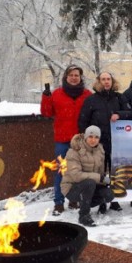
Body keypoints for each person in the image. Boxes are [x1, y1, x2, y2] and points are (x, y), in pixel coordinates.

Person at [40, 64, 92, 216]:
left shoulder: (87, 95)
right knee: (61, 172)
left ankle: (74, 199)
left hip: (81, 141)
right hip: (62, 140)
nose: (74, 78)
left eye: (77, 75)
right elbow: (46, 113)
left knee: (78, 172)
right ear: (66, 77)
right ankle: (58, 202)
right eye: (71, 75)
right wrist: (46, 97)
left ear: (80, 77)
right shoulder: (57, 94)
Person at [78, 71, 132, 211]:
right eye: (103, 79)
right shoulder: (91, 100)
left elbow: (130, 113)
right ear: (99, 82)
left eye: (109, 79)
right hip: (98, 144)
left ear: (112, 81)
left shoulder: (119, 98)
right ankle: (101, 201)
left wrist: (119, 114)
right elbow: (83, 121)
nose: (106, 82)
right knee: (100, 173)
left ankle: (114, 200)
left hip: (116, 143)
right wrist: (88, 141)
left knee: (115, 172)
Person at [61, 126, 114, 227]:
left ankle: (95, 203)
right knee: (89, 183)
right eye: (90, 136)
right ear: (85, 137)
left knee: (109, 194)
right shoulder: (74, 151)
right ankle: (83, 215)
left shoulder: (100, 150)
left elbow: (101, 172)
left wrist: (108, 179)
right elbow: (76, 176)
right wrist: (100, 178)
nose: (93, 140)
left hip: (90, 186)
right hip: (72, 188)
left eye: (96, 137)